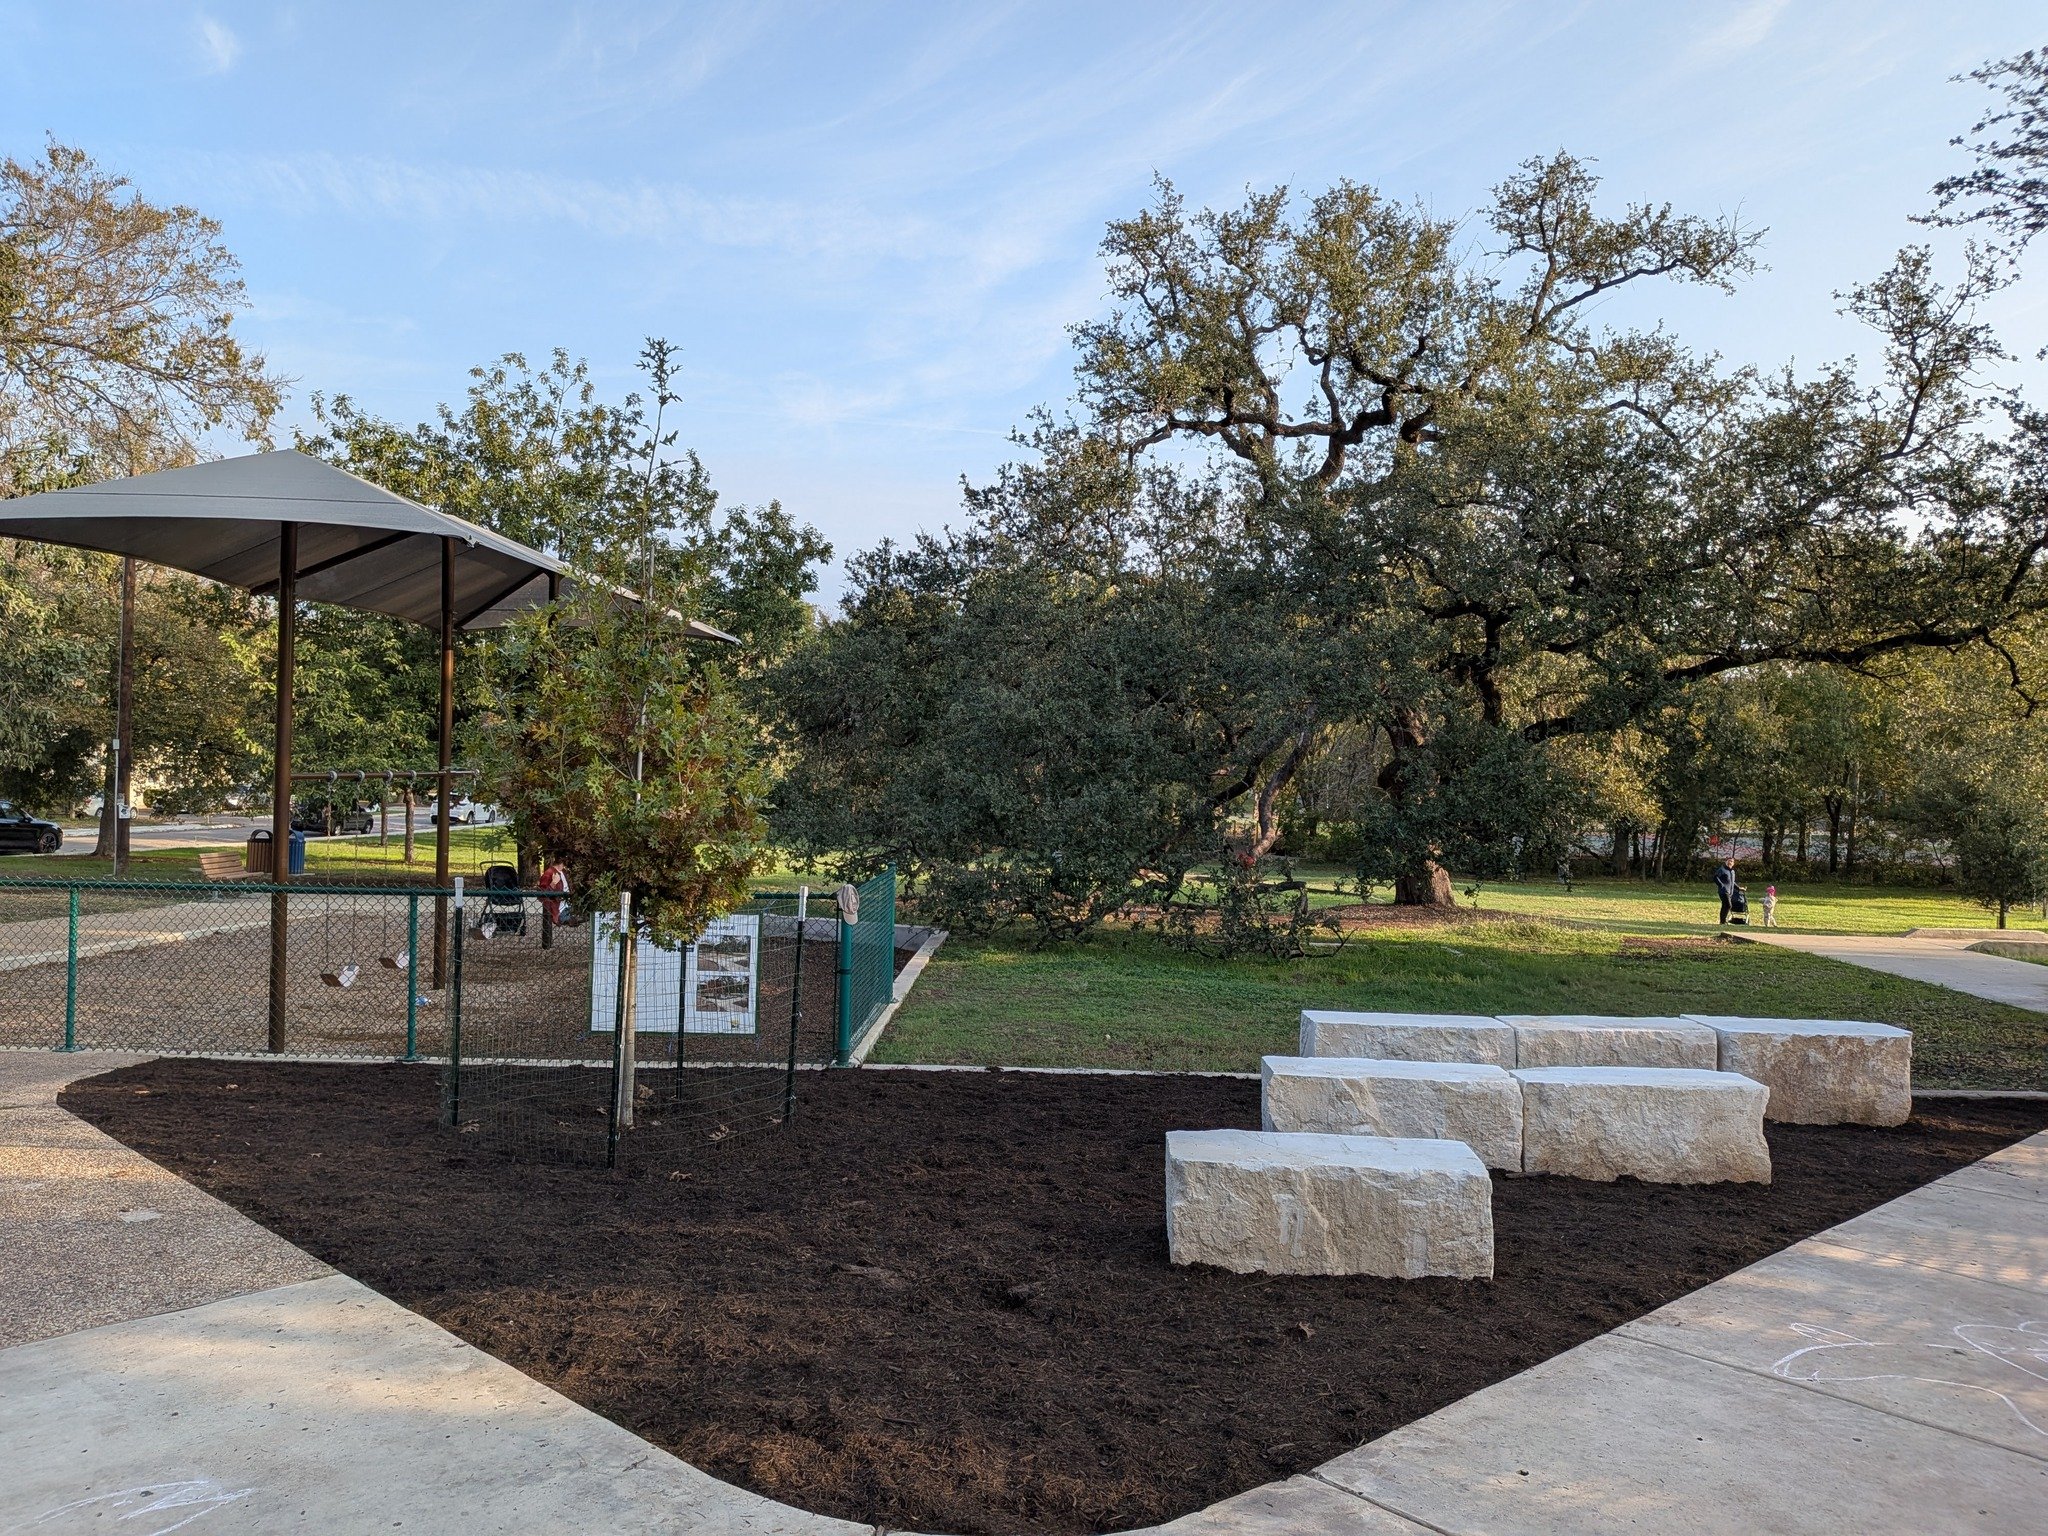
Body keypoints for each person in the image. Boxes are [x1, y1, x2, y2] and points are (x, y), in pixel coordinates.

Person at [1713, 856, 1739, 925]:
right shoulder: (1722, 869)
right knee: (1728, 905)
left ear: (1733, 863)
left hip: (1730, 891)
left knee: (1724, 905)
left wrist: (1739, 888)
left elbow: (1732, 882)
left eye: (1732, 861)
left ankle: (1722, 921)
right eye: (1729, 861)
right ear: (1726, 862)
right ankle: (1723, 921)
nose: (1730, 862)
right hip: (1723, 891)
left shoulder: (1732, 872)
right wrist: (1721, 885)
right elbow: (1715, 877)